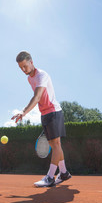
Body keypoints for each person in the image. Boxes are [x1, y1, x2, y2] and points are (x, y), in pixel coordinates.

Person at [11, 51, 71, 187]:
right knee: (55, 145)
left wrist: (23, 112)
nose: (23, 70)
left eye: (25, 66)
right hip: (44, 113)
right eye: (20, 68)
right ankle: (64, 173)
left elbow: (37, 97)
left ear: (31, 62)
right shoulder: (29, 79)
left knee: (55, 145)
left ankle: (50, 177)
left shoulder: (41, 75)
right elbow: (38, 99)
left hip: (53, 112)